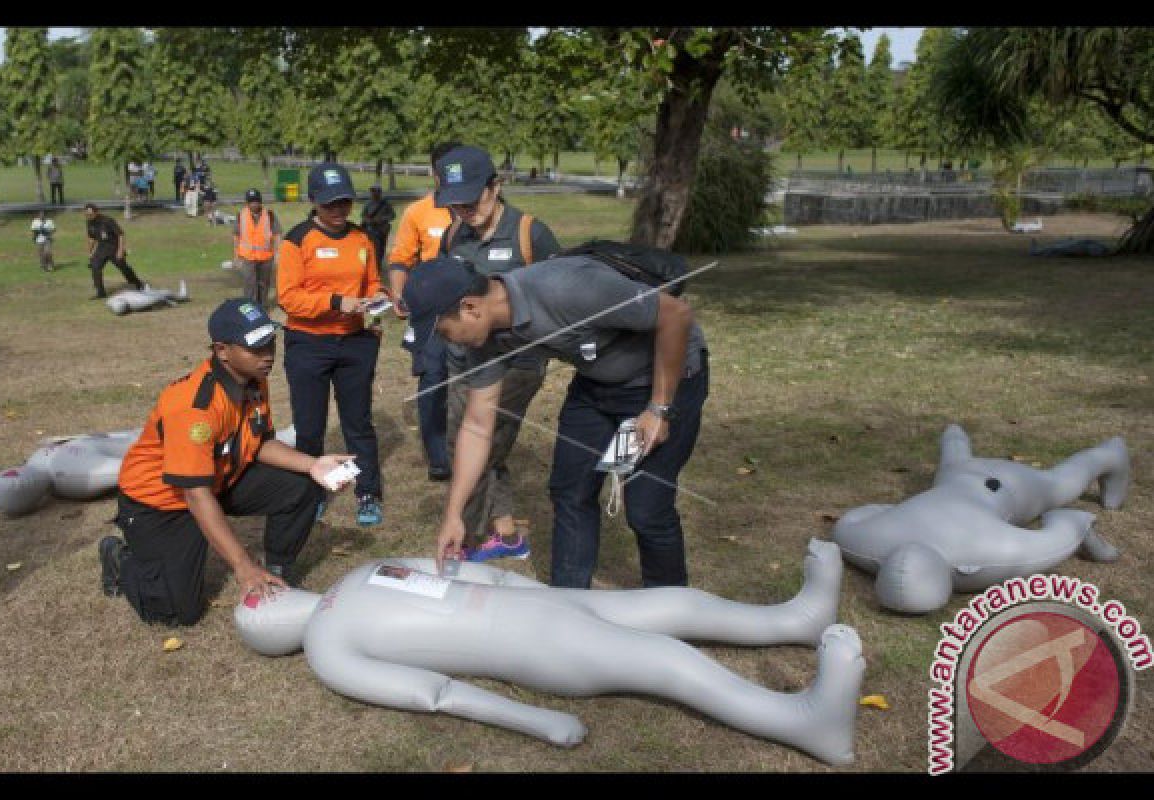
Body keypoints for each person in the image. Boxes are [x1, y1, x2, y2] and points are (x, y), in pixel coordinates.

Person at [233, 541, 864, 766]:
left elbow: (460, 575)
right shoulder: (327, 648)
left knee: (675, 602)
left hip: (538, 605)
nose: (266, 601)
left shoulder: (361, 573)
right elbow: (435, 694)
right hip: (534, 645)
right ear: (270, 637)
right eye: (257, 612)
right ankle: (803, 721)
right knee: (664, 659)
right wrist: (536, 720)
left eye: (259, 595)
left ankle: (795, 619)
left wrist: (538, 591)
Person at [403, 250, 710, 590]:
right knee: (570, 492)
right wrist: (454, 514)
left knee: (646, 508)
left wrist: (658, 409)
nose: (448, 342)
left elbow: (676, 314)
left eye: (445, 332)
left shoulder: (569, 287)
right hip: (597, 384)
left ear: (470, 307)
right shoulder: (485, 338)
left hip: (666, 383)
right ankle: (568, 601)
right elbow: (477, 425)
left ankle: (670, 605)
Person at [100, 298, 356, 626]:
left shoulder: (253, 378)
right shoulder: (194, 408)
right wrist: (243, 566)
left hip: (216, 480)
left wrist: (313, 465)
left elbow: (258, 443)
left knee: (303, 485)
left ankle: (277, 571)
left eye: (270, 344)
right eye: (256, 348)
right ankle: (121, 558)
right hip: (161, 501)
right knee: (178, 613)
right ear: (222, 351)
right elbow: (195, 494)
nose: (268, 356)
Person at [434, 145, 561, 563]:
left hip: (516, 366)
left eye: (472, 198)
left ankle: (463, 544)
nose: (463, 209)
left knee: (478, 446)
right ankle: (506, 533)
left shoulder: (531, 234)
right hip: (464, 360)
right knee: (464, 442)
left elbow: (560, 298)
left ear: (496, 186)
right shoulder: (453, 235)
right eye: (454, 201)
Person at [277, 163, 390, 527]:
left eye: (344, 203)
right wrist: (336, 302)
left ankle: (367, 492)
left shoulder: (362, 239)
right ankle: (314, 493)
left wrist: (380, 304)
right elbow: (289, 298)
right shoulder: (296, 241)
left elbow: (373, 283)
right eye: (330, 205)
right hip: (308, 344)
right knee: (310, 425)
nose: (339, 211)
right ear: (313, 202)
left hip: (355, 343)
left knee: (358, 422)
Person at [385, 141, 462, 483]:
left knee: (474, 380)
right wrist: (400, 294)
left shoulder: (479, 210)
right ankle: (438, 455)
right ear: (434, 173)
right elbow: (401, 258)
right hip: (430, 316)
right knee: (433, 379)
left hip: (471, 313)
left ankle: (470, 447)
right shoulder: (418, 212)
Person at [233, 188, 282, 308]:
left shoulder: (269, 215)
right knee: (250, 284)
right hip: (247, 257)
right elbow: (236, 236)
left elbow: (277, 234)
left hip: (266, 257)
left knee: (263, 285)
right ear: (247, 203)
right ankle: (251, 309)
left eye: (255, 201)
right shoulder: (241, 215)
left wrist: (277, 253)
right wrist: (236, 256)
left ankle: (262, 307)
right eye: (251, 202)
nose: (253, 204)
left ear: (260, 202)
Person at [84, 203, 145, 299]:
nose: (88, 216)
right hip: (101, 248)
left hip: (114, 247)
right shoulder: (89, 222)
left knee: (123, 267)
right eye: (86, 214)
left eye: (90, 214)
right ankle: (101, 292)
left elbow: (120, 235)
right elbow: (91, 238)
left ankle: (138, 284)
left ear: (97, 212)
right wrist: (90, 253)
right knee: (95, 267)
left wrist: (120, 250)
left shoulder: (107, 220)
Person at [360, 184, 396, 269]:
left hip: (382, 230)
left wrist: (381, 219)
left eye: (376, 191)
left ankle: (378, 264)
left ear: (380, 192)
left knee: (381, 248)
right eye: (372, 191)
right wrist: (367, 220)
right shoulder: (368, 203)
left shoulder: (386, 204)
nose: (373, 193)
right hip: (371, 229)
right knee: (373, 248)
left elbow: (392, 215)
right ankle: (374, 266)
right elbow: (363, 215)